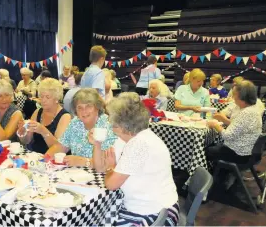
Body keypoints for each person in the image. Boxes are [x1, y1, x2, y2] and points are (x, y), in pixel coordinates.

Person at [93, 92, 179, 226]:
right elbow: (101, 168)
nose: (109, 123)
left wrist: (111, 168)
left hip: (154, 214)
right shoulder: (135, 137)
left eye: (111, 120)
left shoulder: (138, 144)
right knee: (97, 217)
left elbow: (111, 184)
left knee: (95, 220)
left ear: (120, 126)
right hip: (152, 207)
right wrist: (97, 144)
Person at [207, 80, 262, 188]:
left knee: (207, 150)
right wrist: (225, 121)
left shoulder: (246, 113)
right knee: (214, 146)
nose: (233, 97)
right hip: (247, 152)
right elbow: (239, 127)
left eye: (235, 94)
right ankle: (222, 175)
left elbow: (227, 136)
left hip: (238, 154)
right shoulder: (253, 109)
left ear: (241, 96)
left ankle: (212, 182)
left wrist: (215, 125)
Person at [45, 88, 117, 167]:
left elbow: (109, 162)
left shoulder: (109, 125)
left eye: (88, 106)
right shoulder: (75, 122)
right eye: (80, 108)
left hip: (101, 176)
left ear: (97, 107)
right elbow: (60, 146)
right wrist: (44, 159)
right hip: (77, 175)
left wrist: (83, 162)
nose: (84, 111)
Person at [17, 78, 71, 154]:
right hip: (36, 158)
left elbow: (59, 149)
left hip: (54, 161)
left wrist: (43, 130)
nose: (43, 100)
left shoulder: (65, 117)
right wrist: (22, 131)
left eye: (47, 97)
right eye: (41, 97)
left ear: (57, 98)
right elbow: (27, 141)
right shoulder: (37, 112)